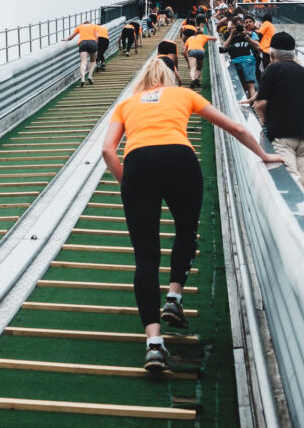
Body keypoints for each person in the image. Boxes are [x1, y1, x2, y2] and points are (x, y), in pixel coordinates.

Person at [102, 59, 282, 372]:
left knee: (145, 257)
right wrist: (264, 155)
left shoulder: (127, 103)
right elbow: (237, 127)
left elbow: (107, 150)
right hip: (179, 159)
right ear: (172, 78)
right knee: (186, 230)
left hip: (137, 164)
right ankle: (174, 296)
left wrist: (127, 184)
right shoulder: (183, 95)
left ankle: (154, 345)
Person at [253, 32, 304, 203]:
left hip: (281, 135)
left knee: (291, 178)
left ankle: (297, 221)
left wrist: (265, 121)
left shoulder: (272, 70)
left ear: (271, 54)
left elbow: (260, 104)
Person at [222, 23, 261, 98]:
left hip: (247, 61)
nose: (239, 30)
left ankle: (251, 105)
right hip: (235, 62)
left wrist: (245, 35)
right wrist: (232, 34)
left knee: (250, 85)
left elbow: (257, 47)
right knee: (240, 85)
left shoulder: (248, 36)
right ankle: (244, 103)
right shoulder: (231, 37)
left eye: (242, 28)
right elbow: (224, 47)